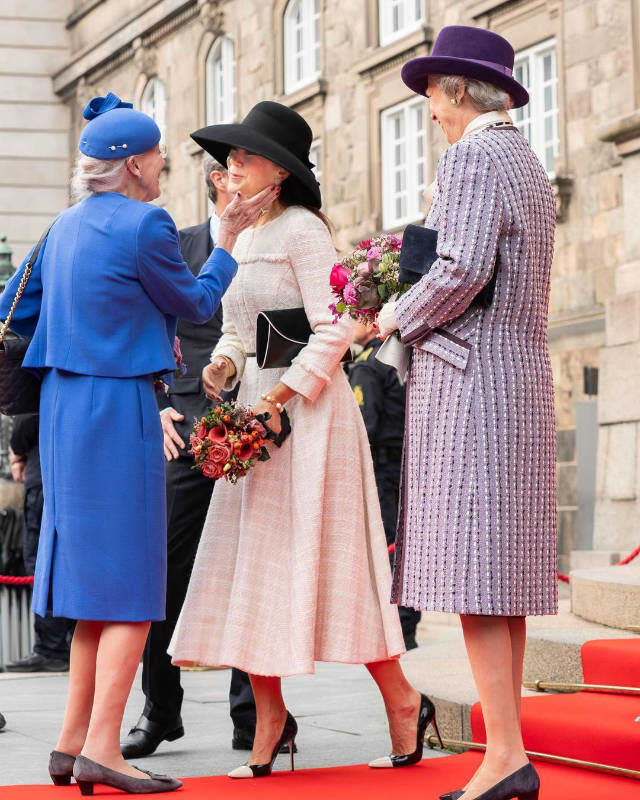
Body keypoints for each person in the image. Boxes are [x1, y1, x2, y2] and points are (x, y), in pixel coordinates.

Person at [0, 91, 278, 795]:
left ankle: (71, 744)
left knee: (96, 589)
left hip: (63, 407)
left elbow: (11, 310)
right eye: (155, 155)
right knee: (130, 585)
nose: (162, 166)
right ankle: (103, 749)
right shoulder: (145, 223)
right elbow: (195, 303)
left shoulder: (62, 228)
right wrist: (228, 242)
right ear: (129, 165)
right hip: (118, 403)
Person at [169, 100, 440, 779]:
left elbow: (336, 328)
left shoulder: (302, 231)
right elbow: (237, 327)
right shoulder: (236, 239)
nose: (229, 168)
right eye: (227, 160)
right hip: (257, 416)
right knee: (251, 570)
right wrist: (224, 365)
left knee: (338, 566)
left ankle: (404, 703)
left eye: (243, 158)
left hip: (311, 419)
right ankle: (269, 724)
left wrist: (281, 397)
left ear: (279, 173)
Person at [377, 25, 557, 800]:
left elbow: (460, 268)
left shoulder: (474, 156)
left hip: (472, 379)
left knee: (481, 579)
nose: (431, 118)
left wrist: (389, 317)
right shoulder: (528, 162)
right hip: (517, 374)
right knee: (504, 580)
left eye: (432, 102)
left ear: (456, 88)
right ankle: (507, 751)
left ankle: (506, 758)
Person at [121, 155, 259, 759]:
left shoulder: (289, 236)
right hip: (182, 431)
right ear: (217, 181)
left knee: (253, 569)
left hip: (261, 424)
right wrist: (154, 404)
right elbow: (137, 327)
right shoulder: (172, 242)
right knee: (167, 571)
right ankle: (160, 709)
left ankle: (254, 714)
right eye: (238, 171)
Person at [347, 322, 421, 651]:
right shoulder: (397, 356)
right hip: (406, 464)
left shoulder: (367, 365)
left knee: (389, 546)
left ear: (367, 322)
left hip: (381, 468)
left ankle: (398, 627)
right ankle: (406, 622)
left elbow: (364, 426)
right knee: (403, 545)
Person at [6, 414, 74, 673]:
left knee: (41, 560)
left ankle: (51, 647)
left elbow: (26, 419)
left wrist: (17, 453)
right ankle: (75, 641)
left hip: (45, 475)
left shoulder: (44, 375)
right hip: (76, 480)